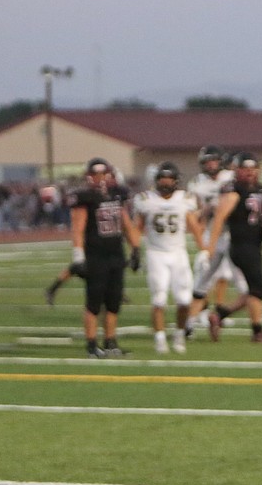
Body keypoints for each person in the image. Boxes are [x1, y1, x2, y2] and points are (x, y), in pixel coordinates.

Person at [205, 153, 262, 344]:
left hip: (255, 245)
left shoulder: (258, 189)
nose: (249, 173)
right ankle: (258, 331)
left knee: (254, 290)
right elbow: (219, 219)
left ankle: (221, 314)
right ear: (237, 170)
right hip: (241, 246)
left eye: (252, 169)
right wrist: (210, 247)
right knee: (257, 290)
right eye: (245, 169)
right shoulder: (234, 191)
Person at [67, 158, 142, 358]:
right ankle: (92, 345)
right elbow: (78, 227)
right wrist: (78, 255)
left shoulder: (116, 194)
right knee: (94, 302)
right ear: (89, 176)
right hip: (96, 256)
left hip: (116, 255)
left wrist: (135, 249)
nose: (100, 178)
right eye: (95, 175)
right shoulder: (85, 198)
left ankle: (110, 342)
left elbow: (126, 223)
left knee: (113, 301)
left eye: (103, 174)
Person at [132, 162, 205, 354]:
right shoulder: (146, 199)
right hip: (156, 254)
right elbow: (137, 228)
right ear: (156, 181)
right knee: (159, 300)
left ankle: (180, 335)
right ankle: (160, 339)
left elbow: (194, 225)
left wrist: (203, 250)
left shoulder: (184, 199)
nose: (165, 184)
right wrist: (134, 250)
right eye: (162, 180)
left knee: (184, 300)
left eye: (168, 180)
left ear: (176, 181)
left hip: (178, 254)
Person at [185, 145, 245, 340]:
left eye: (214, 160)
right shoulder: (197, 184)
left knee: (238, 280)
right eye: (207, 161)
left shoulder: (230, 177)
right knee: (202, 279)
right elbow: (195, 213)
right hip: (212, 235)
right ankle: (189, 324)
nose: (211, 165)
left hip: (234, 235)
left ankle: (219, 313)